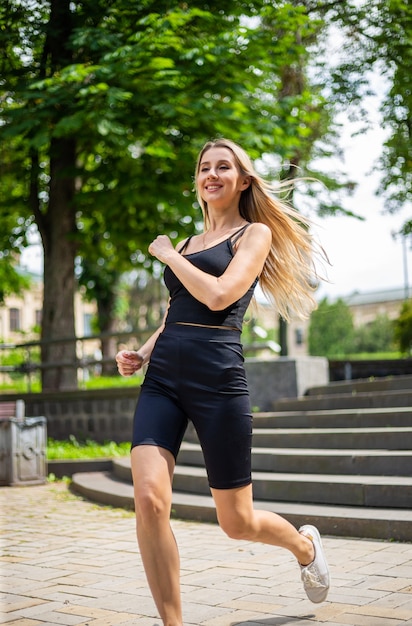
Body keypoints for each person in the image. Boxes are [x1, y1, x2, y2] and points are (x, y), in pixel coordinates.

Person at [116, 138, 330, 626]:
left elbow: (217, 297)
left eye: (223, 167)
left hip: (219, 381)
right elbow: (177, 310)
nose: (211, 174)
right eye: (204, 167)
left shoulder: (252, 236)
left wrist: (168, 256)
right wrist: (142, 353)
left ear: (243, 180)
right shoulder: (190, 244)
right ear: (197, 180)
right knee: (149, 500)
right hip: (164, 379)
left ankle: (304, 545)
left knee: (237, 523)